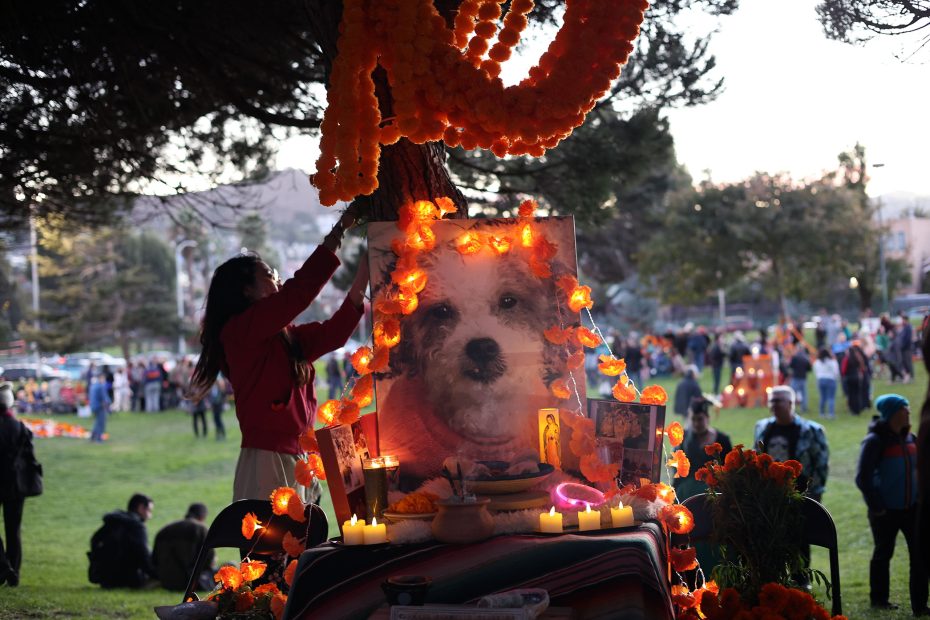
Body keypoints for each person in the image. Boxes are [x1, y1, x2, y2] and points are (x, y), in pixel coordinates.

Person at [188, 209, 368, 504]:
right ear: (247, 291)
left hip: (299, 456)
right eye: (270, 276)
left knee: (301, 545)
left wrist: (362, 278)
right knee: (273, 547)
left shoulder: (285, 335)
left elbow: (333, 334)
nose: (279, 282)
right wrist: (338, 233)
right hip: (267, 460)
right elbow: (297, 294)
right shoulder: (238, 332)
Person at [856, 394, 928, 614]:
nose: (908, 412)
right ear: (893, 413)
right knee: (883, 553)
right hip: (885, 510)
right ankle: (879, 599)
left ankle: (920, 605)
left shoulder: (911, 438)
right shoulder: (875, 441)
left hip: (912, 508)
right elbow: (863, 478)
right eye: (904, 409)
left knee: (920, 556)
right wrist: (878, 507)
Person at [754, 385, 829, 501]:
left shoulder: (811, 431)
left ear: (790, 403)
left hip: (800, 493)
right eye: (771, 401)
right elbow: (756, 457)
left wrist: (814, 494)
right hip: (769, 493)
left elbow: (821, 465)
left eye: (777, 401)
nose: (773, 404)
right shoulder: (762, 428)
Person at [0, 382, 35, 586]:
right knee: (14, 531)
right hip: (16, 486)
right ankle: (14, 573)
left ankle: (4, 566)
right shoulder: (20, 427)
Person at [88, 493, 156, 589]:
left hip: (106, 580)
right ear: (141, 508)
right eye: (149, 511)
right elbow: (143, 555)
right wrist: (156, 575)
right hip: (129, 580)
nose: (150, 516)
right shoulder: (136, 526)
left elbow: (94, 542)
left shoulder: (112, 522)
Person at [673, 396, 733, 501]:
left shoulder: (722, 440)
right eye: (693, 419)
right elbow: (677, 470)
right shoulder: (684, 438)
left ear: (707, 417)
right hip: (686, 490)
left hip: (714, 490)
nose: (696, 424)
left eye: (700, 419)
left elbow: (729, 470)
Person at [152, 502, 215, 591]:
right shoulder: (201, 529)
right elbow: (209, 561)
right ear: (202, 517)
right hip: (189, 583)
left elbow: (154, 560)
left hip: (165, 581)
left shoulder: (164, 530)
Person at [842, 339, 871, 415]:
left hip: (850, 377)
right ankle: (859, 408)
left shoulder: (847, 359)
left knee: (851, 394)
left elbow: (844, 370)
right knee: (858, 393)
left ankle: (853, 409)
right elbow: (863, 367)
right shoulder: (858, 357)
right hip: (858, 377)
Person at [813, 349, 840, 419]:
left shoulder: (817, 362)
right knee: (831, 397)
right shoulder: (832, 362)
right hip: (830, 379)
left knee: (822, 397)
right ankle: (831, 414)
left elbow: (816, 371)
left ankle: (821, 413)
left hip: (821, 379)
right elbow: (836, 372)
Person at [787, 348, 813, 414]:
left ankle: (790, 408)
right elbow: (809, 368)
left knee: (792, 393)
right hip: (803, 378)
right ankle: (804, 408)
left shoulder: (795, 358)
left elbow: (791, 366)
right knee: (804, 394)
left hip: (796, 377)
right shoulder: (806, 358)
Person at [89, 374, 111, 443]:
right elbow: (105, 398)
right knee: (101, 423)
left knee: (97, 422)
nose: (104, 380)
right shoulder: (101, 386)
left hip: (93, 406)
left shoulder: (93, 385)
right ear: (100, 378)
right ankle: (99, 439)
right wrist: (109, 405)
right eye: (103, 379)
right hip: (100, 406)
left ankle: (92, 437)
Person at [209, 376, 227, 440]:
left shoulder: (220, 389)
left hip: (218, 407)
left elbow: (221, 398)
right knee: (215, 421)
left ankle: (223, 434)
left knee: (219, 420)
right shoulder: (212, 389)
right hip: (214, 407)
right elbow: (211, 397)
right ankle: (218, 435)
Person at [899, 311, 915, 383]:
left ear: (905, 320)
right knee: (905, 362)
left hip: (907, 348)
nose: (902, 321)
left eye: (902, 320)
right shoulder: (905, 327)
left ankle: (911, 377)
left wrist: (903, 345)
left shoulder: (908, 327)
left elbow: (907, 339)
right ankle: (908, 376)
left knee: (908, 363)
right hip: (904, 348)